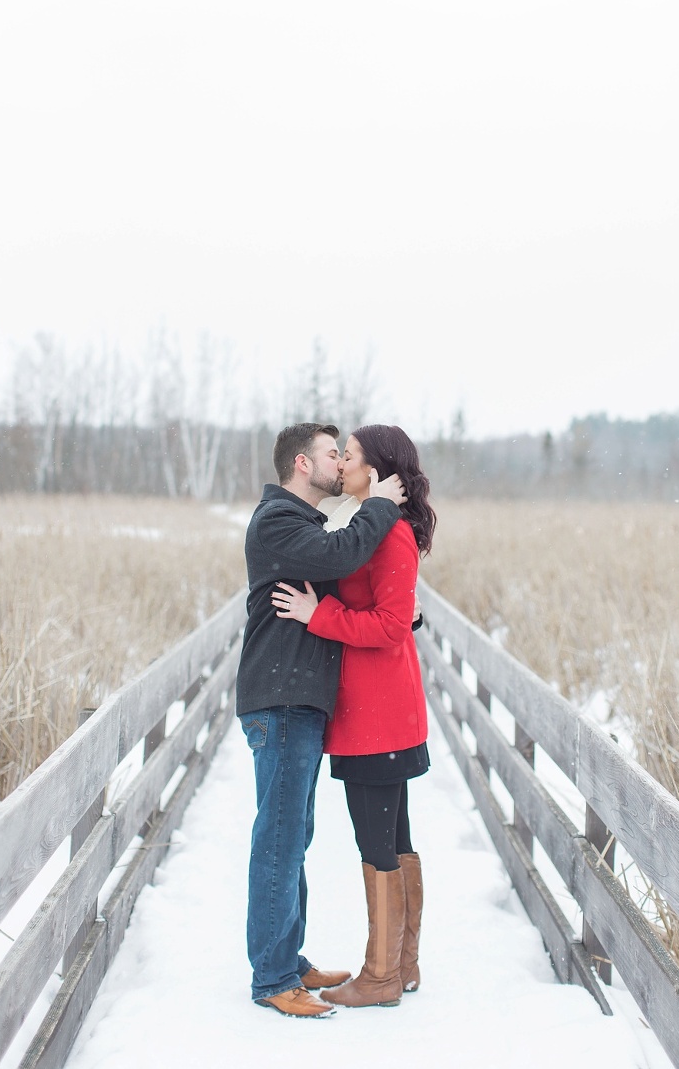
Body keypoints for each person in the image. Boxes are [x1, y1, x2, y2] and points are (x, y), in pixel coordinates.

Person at [236, 422, 407, 1019]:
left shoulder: (303, 525)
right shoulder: (279, 523)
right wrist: (382, 505)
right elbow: (345, 553)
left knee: (293, 835)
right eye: (333, 453)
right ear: (303, 465)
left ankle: (289, 957)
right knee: (280, 839)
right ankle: (274, 978)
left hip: (296, 701)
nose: (341, 462)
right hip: (280, 702)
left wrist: (398, 617)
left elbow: (350, 586)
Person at [272, 424, 437, 1008]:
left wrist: (320, 614)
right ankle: (404, 964)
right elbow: (394, 610)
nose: (342, 464)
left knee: (378, 842)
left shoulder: (388, 532)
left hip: (379, 714)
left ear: (379, 472)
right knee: (394, 838)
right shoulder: (376, 526)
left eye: (353, 457)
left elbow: (391, 625)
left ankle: (380, 976)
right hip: (379, 710)